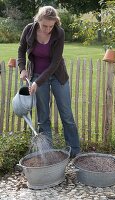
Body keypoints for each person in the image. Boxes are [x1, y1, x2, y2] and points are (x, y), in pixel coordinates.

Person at [18, 5, 80, 158]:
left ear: (55, 23)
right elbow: (21, 50)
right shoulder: (29, 30)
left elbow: (55, 63)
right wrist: (22, 68)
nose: (47, 29)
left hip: (57, 76)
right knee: (43, 116)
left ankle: (74, 150)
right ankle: (48, 153)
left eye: (51, 26)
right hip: (37, 75)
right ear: (38, 20)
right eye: (44, 25)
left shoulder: (59, 33)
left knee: (66, 114)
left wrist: (37, 82)